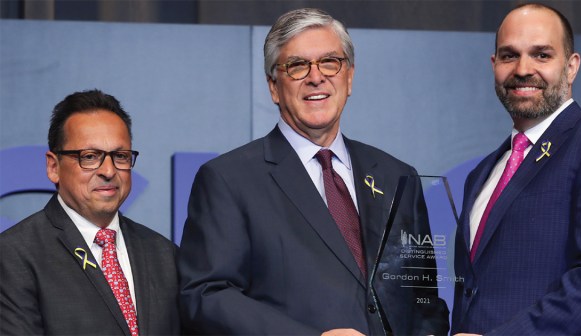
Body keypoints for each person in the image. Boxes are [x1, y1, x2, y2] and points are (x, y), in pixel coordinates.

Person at [178, 8, 449, 335]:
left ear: (349, 78)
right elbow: (206, 296)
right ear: (274, 87)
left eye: (329, 62)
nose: (316, 76)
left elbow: (424, 301)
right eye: (297, 66)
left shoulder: (397, 177)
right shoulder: (228, 179)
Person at [452, 3, 581, 335]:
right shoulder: (481, 174)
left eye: (541, 55)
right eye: (509, 56)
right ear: (494, 65)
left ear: (571, 67)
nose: (523, 69)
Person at [0, 90, 180, 335]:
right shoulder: (13, 255)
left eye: (120, 156)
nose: (108, 170)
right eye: (90, 156)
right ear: (53, 167)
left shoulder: (165, 254)